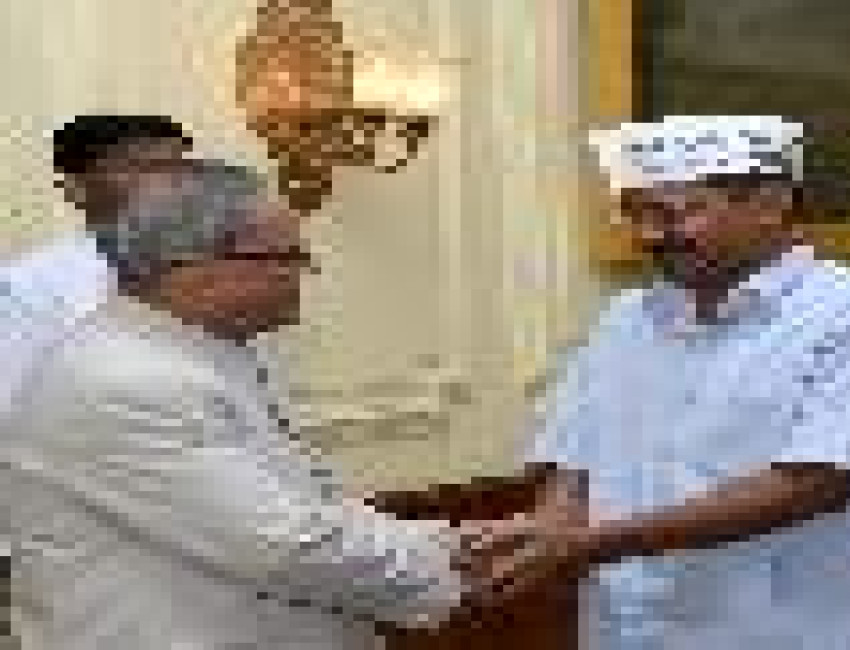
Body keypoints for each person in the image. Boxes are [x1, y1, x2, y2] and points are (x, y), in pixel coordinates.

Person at [0, 162, 514, 649]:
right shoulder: (126, 382)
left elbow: (311, 507)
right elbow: (289, 548)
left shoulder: (193, 356)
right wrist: (467, 564)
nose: (304, 274)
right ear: (198, 266)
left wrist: (456, 541)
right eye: (288, 257)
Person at [495, 115, 850, 649]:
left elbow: (815, 483)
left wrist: (589, 544)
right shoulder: (625, 319)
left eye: (676, 213)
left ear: (771, 204)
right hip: (638, 628)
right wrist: (547, 531)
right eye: (636, 213)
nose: (650, 235)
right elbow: (574, 454)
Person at [1, 115, 195, 415]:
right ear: (75, 189)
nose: (174, 187)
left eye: (183, 170)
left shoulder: (225, 270)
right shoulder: (27, 289)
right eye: (145, 169)